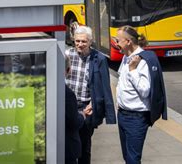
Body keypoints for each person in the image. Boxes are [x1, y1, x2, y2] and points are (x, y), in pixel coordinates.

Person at [114, 25, 167, 164]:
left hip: (136, 117)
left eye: (117, 40)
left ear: (128, 42)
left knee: (133, 159)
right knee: (128, 157)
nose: (115, 43)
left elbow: (145, 91)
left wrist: (132, 70)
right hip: (123, 114)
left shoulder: (141, 61)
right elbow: (122, 81)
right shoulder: (126, 57)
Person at [65, 25, 116, 164]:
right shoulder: (67, 55)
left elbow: (104, 86)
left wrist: (94, 104)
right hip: (69, 106)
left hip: (86, 107)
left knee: (84, 146)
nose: (80, 44)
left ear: (90, 42)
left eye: (83, 41)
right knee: (68, 143)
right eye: (77, 41)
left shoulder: (98, 59)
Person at [65, 55, 91, 164]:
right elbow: (74, 122)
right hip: (67, 149)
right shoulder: (68, 94)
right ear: (68, 70)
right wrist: (82, 115)